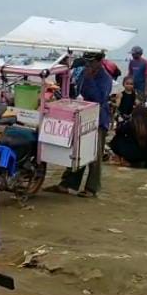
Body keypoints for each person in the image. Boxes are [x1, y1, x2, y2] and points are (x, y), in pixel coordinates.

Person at [44, 51, 112, 198]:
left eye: (91, 62)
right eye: (87, 62)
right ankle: (68, 184)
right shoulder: (82, 73)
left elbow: (99, 98)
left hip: (98, 119)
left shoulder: (105, 78)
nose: (89, 65)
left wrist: (89, 79)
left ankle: (92, 188)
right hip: (81, 117)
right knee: (78, 153)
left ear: (100, 61)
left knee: (95, 155)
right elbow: (74, 92)